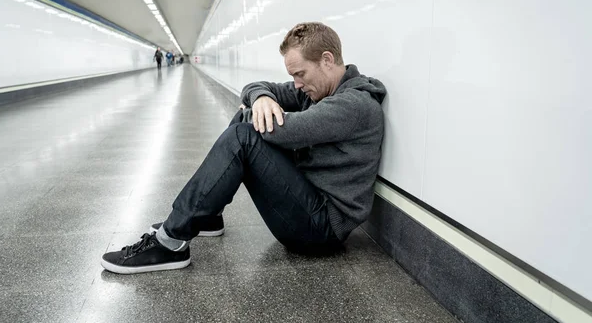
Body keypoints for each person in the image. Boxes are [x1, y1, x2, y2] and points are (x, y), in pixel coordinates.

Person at [101, 22, 387, 274]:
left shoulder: (355, 105)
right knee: (246, 120)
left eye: (300, 74)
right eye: (293, 76)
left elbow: (286, 130)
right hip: (309, 201)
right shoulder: (318, 90)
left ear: (327, 60)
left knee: (244, 134)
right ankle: (207, 216)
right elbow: (255, 85)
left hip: (321, 227)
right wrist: (261, 97)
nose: (297, 85)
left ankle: (169, 243)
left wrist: (253, 110)